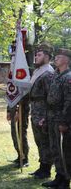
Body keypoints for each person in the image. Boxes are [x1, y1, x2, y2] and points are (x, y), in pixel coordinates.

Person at [42, 48, 71, 189]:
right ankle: (58, 177)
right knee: (55, 148)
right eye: (56, 57)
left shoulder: (68, 77)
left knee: (64, 151)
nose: (56, 59)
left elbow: (69, 102)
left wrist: (64, 122)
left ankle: (66, 180)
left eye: (59, 57)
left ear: (66, 60)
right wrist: (46, 118)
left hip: (62, 119)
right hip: (52, 116)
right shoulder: (55, 75)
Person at [28, 43, 54, 178]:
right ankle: (42, 166)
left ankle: (46, 169)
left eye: (39, 55)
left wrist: (46, 116)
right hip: (36, 111)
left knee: (45, 141)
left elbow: (51, 96)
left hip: (43, 113)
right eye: (36, 54)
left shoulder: (48, 73)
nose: (36, 57)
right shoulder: (38, 71)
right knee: (39, 141)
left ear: (47, 56)